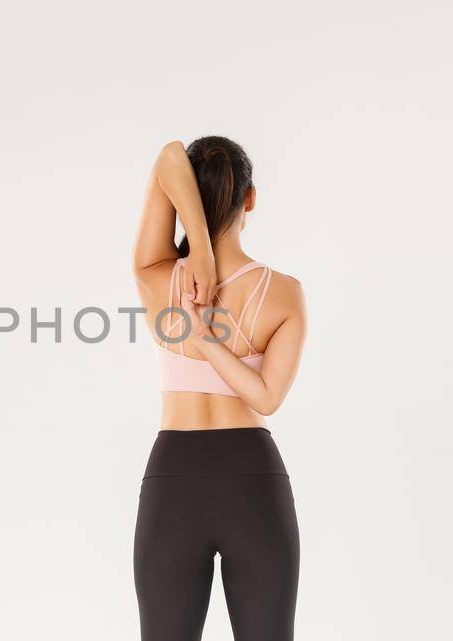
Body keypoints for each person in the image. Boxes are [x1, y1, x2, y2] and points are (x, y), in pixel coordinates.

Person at [130, 136, 309, 641]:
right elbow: (266, 398)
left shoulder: (156, 277)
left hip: (172, 479)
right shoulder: (283, 293)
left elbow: (168, 156)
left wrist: (199, 254)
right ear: (249, 199)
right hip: (253, 478)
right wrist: (208, 257)